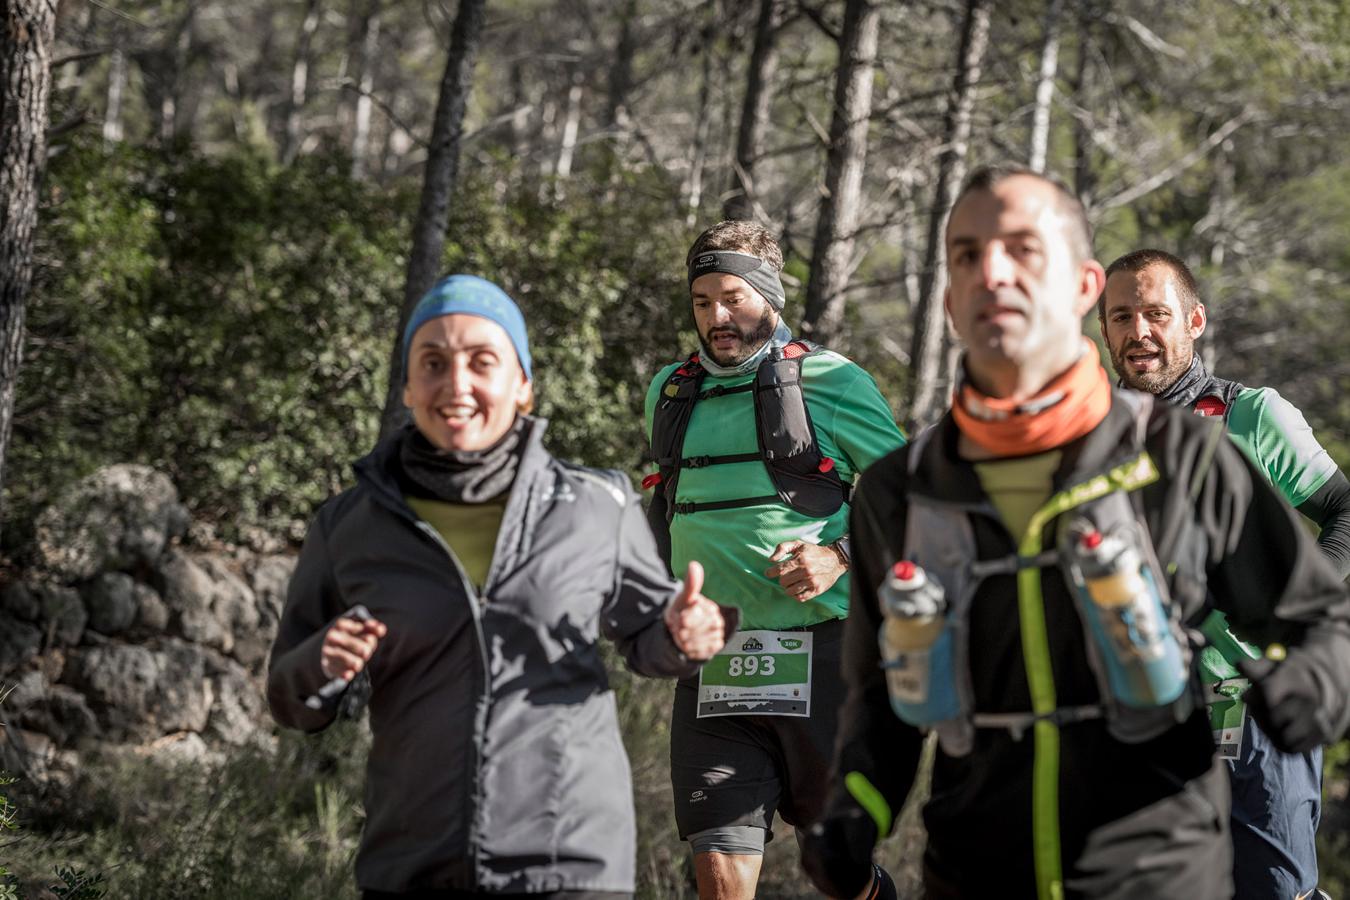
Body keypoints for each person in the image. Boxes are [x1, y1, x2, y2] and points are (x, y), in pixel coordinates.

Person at [800, 166, 1350, 900]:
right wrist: (852, 815)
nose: (993, 271)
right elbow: (879, 702)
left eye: (1023, 250)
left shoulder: (1186, 457)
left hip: (1156, 873)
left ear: (1082, 286)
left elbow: (1318, 622)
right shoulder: (900, 492)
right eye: (967, 255)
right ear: (951, 300)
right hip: (976, 869)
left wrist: (1307, 690)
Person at [267, 275, 730, 900]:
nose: (457, 384)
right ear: (408, 386)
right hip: (412, 863)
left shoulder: (596, 503)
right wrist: (320, 663)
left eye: (483, 362)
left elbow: (647, 637)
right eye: (432, 363)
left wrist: (684, 635)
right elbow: (291, 700)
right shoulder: (348, 526)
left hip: (571, 861)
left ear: (522, 384)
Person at [642, 220, 906, 900]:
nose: (716, 317)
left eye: (732, 297)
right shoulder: (670, 393)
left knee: (835, 868)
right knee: (719, 868)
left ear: (769, 295)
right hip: (714, 662)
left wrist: (839, 555)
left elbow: (913, 499)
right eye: (702, 303)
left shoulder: (832, 381)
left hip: (821, 658)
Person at [1100, 248, 1350, 900]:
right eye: (1121, 316)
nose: (1139, 332)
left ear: (1195, 320)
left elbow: (1344, 510)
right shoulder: (1089, 438)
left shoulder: (1251, 415)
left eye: (1156, 313)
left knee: (1274, 890)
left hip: (1254, 710)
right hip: (1132, 717)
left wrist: (1295, 607)